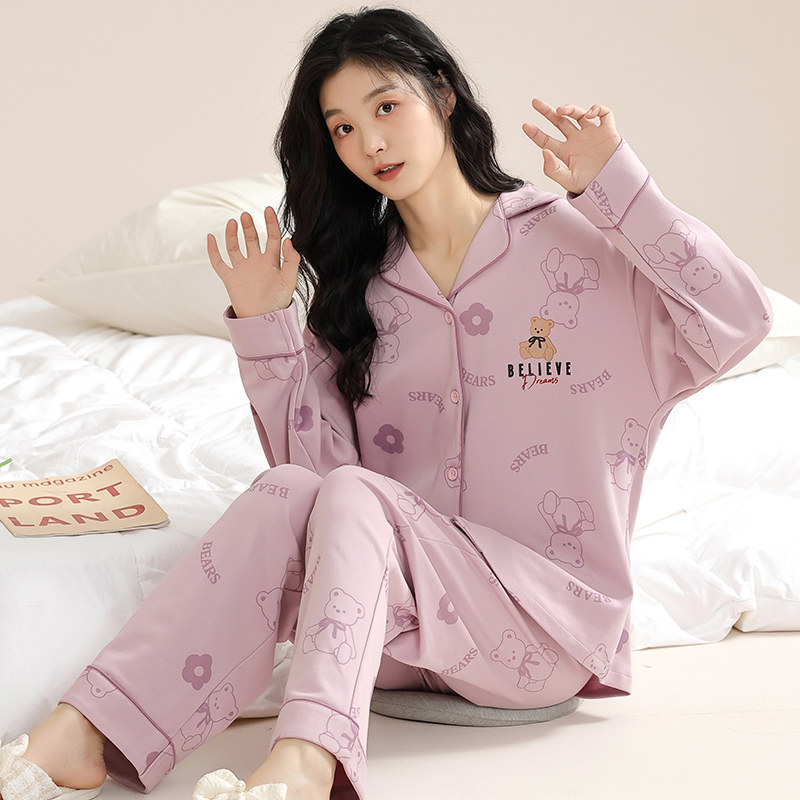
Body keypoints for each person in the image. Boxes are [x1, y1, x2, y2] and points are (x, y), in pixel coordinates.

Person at [0, 6, 772, 800]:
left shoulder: (578, 248)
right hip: (392, 646)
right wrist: (267, 326)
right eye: (342, 128)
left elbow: (740, 319)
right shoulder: (360, 290)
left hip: (543, 632)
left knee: (356, 493)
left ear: (443, 93)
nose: (369, 142)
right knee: (289, 489)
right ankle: (84, 733)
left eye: (386, 107)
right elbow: (316, 492)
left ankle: (308, 761)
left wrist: (620, 187)